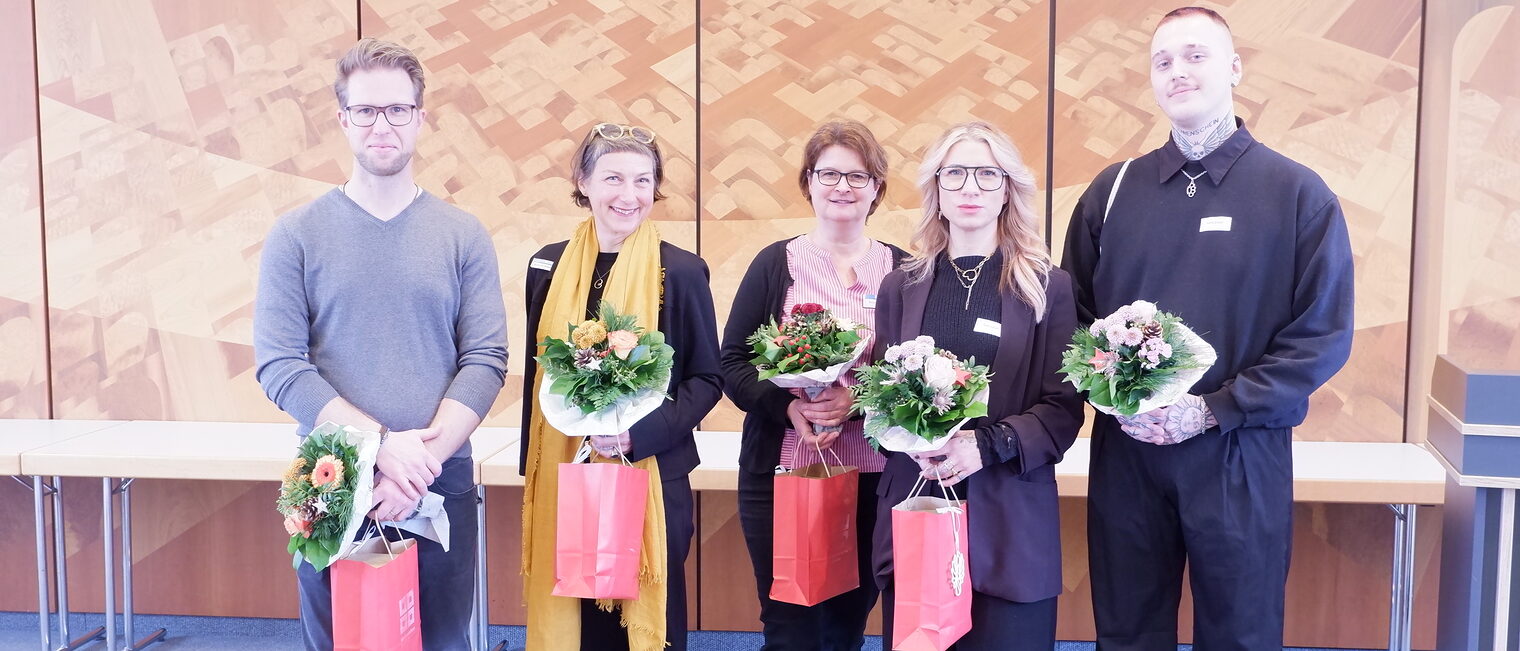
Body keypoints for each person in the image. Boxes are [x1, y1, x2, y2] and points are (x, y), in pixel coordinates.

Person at [1060, 7, 1355, 650]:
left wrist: (1214, 409)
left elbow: (1321, 336)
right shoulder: (1112, 192)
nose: (1178, 72)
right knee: (1128, 631)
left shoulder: (1297, 194)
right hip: (1129, 451)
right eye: (1162, 61)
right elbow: (1071, 317)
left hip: (1239, 452)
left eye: (1195, 55)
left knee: (1241, 633)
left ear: (1235, 68)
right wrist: (1114, 396)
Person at [254, 38, 508, 651]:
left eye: (397, 109)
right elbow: (282, 366)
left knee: (442, 641)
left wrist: (414, 466)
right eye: (365, 111)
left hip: (438, 480)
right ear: (342, 119)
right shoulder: (296, 235)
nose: (382, 125)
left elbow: (486, 360)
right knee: (344, 642)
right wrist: (376, 450)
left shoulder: (462, 234)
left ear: (420, 117)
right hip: (333, 482)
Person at [871, 121, 1083, 650]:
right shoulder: (901, 285)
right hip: (920, 505)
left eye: (987, 175)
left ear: (1008, 189)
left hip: (1011, 515)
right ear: (936, 190)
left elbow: (1063, 407)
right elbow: (876, 399)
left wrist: (986, 446)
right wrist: (906, 438)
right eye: (956, 173)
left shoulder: (1047, 286)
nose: (971, 187)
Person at [518, 122, 722, 651]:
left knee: (640, 620)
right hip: (567, 470)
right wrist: (532, 467)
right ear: (583, 181)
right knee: (580, 618)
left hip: (651, 471)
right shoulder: (547, 265)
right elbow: (537, 377)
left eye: (642, 180)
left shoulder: (680, 271)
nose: (628, 195)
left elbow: (707, 378)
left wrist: (640, 436)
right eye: (612, 178)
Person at [719, 119, 908, 650]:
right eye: (828, 174)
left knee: (847, 624)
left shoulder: (904, 271)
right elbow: (732, 363)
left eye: (857, 176)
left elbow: (916, 372)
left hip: (874, 477)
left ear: (877, 188)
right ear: (808, 182)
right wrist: (789, 409)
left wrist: (858, 398)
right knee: (790, 622)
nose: (842, 187)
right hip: (783, 472)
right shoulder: (776, 264)